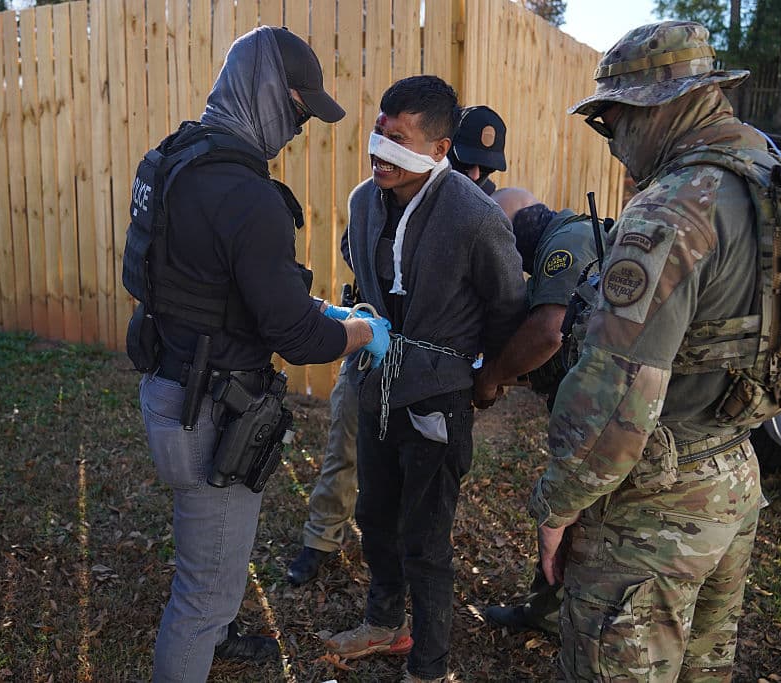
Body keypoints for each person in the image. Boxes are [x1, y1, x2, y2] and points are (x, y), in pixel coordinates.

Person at [123, 27, 390, 683]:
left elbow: (196, 281)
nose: (298, 128)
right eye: (299, 110)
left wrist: (311, 303)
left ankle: (217, 632)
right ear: (271, 94)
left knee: (208, 554)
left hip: (168, 386)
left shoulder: (170, 161)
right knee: (199, 588)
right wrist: (358, 329)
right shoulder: (250, 197)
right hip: (212, 414)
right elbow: (297, 337)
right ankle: (201, 638)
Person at [527, 21, 768, 680]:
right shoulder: (772, 176)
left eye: (612, 121)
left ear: (655, 105)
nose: (613, 142)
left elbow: (617, 400)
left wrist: (556, 506)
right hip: (736, 472)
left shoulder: (671, 210)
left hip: (655, 504)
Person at [324, 76, 526, 683]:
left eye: (400, 139)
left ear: (440, 149)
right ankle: (385, 622)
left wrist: (483, 379)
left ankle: (430, 665)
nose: (382, 150)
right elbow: (358, 259)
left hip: (439, 395)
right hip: (374, 383)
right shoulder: (364, 201)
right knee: (374, 515)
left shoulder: (475, 216)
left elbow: (508, 306)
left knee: (427, 537)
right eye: (379, 134)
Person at [285, 104, 533, 587]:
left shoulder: (476, 211)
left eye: (487, 168)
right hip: (371, 353)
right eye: (468, 162)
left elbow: (502, 300)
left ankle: (400, 568)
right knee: (346, 444)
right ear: (443, 151)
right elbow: (351, 248)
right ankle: (321, 540)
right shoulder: (387, 194)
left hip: (432, 377)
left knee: (419, 484)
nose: (476, 174)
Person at [471, 200, 601, 637]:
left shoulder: (563, 245)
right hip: (604, 401)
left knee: (577, 508)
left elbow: (549, 331)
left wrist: (491, 378)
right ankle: (547, 608)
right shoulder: (583, 232)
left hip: (599, 411)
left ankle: (563, 616)